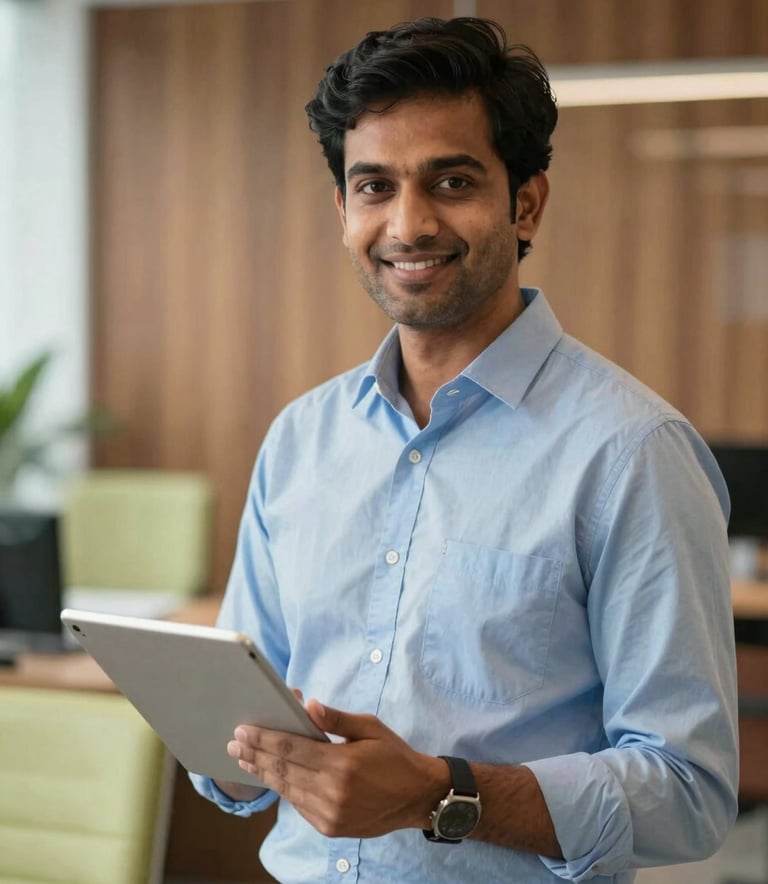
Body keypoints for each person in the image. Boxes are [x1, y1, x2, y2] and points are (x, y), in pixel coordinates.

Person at [191, 16, 739, 883]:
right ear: (343, 211)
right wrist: (234, 747)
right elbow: (238, 728)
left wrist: (435, 794)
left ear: (525, 203)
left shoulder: (632, 452)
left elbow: (689, 791)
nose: (408, 224)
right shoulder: (300, 439)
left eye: (450, 181)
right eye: (373, 187)